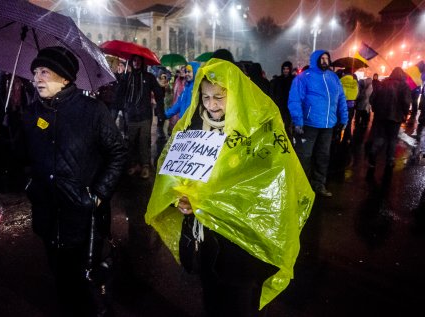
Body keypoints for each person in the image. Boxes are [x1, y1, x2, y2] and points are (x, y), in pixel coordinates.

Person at [146, 58, 314, 317]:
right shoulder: (192, 126)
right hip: (207, 243)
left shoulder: (259, 130)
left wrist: (213, 200)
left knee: (241, 303)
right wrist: (182, 198)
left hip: (244, 248)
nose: (211, 105)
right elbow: (178, 174)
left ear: (234, 93)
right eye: (205, 97)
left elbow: (270, 186)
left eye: (219, 97)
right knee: (212, 299)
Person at [22, 46, 127, 317]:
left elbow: (118, 152)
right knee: (60, 280)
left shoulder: (93, 111)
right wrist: (29, 185)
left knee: (86, 283)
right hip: (47, 214)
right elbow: (23, 157)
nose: (37, 78)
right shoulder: (31, 113)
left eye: (44, 71)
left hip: (82, 217)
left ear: (66, 78)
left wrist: (99, 194)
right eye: (35, 72)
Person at [288, 49, 348, 197]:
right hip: (309, 125)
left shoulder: (333, 78)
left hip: (328, 126)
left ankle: (319, 184)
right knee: (304, 156)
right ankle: (301, 187)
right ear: (315, 59)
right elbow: (295, 100)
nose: (325, 61)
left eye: (327, 58)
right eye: (322, 58)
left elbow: (341, 99)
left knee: (323, 156)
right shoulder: (304, 77)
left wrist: (344, 119)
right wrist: (298, 121)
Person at [117, 54, 165, 179]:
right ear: (131, 62)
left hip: (144, 116)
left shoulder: (149, 77)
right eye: (134, 60)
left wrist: (160, 111)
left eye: (139, 61)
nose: (136, 63)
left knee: (144, 141)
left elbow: (159, 93)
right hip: (131, 116)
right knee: (131, 142)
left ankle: (145, 165)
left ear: (142, 63)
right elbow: (120, 95)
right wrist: (121, 83)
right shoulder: (127, 77)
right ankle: (134, 164)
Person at [368, 67, 411, 170]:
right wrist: (405, 114)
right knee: (392, 139)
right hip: (395, 118)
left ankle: (373, 153)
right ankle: (390, 160)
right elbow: (406, 102)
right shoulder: (404, 86)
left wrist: (376, 110)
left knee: (380, 137)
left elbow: (372, 99)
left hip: (381, 116)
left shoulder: (383, 83)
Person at [270, 61, 295, 139]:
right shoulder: (278, 80)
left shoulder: (293, 80)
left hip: (289, 108)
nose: (285, 70)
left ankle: (288, 142)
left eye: (287, 69)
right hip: (280, 106)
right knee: (279, 126)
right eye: (284, 69)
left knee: (287, 127)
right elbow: (273, 92)